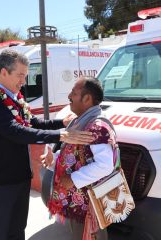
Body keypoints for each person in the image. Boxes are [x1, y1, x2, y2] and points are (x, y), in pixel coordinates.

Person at [0, 49, 94, 240]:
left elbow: (32, 123)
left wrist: (60, 123)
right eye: (20, 75)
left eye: (25, 75)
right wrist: (61, 136)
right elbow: (16, 132)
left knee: (18, 228)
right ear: (4, 72)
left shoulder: (15, 97)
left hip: (21, 176)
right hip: (1, 181)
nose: (23, 81)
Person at [44, 77, 117, 240]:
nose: (69, 96)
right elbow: (74, 156)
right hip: (78, 204)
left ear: (87, 99)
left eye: (74, 92)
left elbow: (105, 166)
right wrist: (53, 160)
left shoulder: (98, 126)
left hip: (89, 205)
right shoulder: (79, 122)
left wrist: (73, 179)